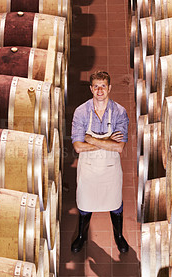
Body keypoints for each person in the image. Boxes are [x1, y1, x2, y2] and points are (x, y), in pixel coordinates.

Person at [71, 71, 130, 253]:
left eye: (103, 86)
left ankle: (119, 236)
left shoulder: (119, 111)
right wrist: (107, 142)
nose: (99, 90)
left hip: (110, 168)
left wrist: (92, 139)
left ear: (109, 88)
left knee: (115, 204)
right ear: (91, 88)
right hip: (88, 169)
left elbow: (119, 148)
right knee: (85, 204)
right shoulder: (81, 111)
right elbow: (78, 147)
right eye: (96, 86)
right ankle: (81, 236)